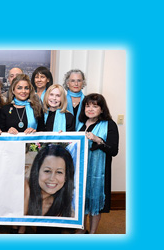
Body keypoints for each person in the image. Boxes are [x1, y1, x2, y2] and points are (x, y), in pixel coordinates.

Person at [81, 93, 119, 233]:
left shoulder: (109, 125)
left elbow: (114, 150)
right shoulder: (79, 124)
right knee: (82, 200)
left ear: (102, 109)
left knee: (95, 201)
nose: (90, 109)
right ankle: (81, 229)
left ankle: (92, 233)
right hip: (81, 170)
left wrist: (98, 140)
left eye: (95, 106)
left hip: (99, 173)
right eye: (87, 105)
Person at [24, 144, 75, 218]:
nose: (52, 178)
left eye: (59, 172)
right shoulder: (24, 187)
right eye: (47, 171)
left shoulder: (64, 210)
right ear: (37, 171)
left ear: (66, 177)